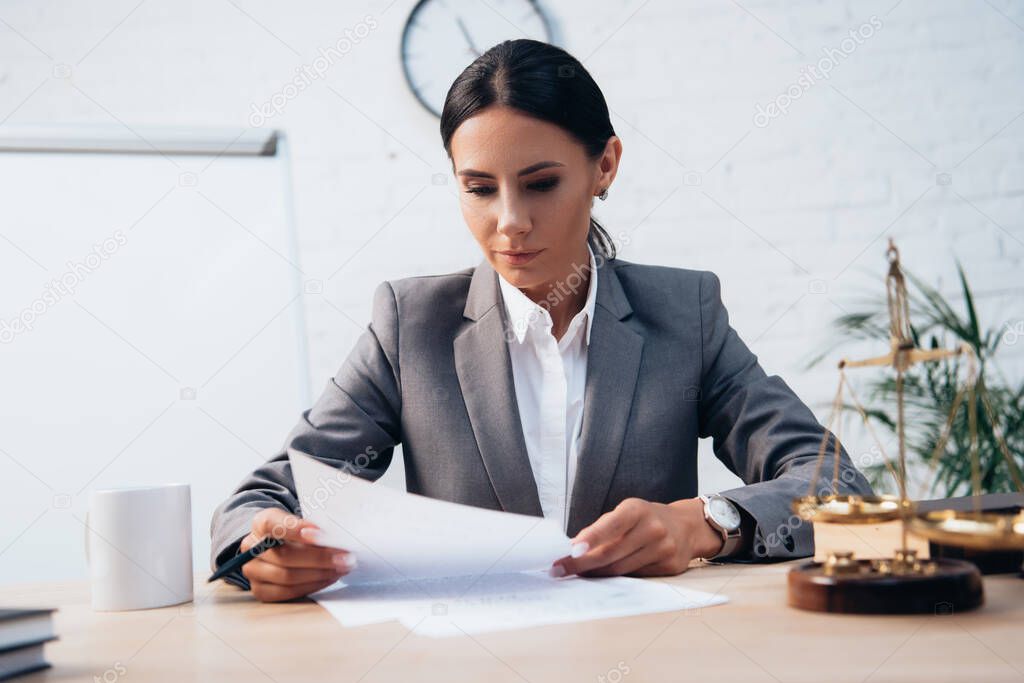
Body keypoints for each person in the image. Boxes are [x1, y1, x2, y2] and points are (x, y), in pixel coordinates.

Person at [210, 38, 873, 603]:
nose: (510, 221)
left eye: (540, 183)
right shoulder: (411, 327)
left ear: (604, 166)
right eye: (479, 188)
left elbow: (835, 483)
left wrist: (705, 521)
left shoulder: (685, 314)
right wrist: (264, 541)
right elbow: (260, 499)